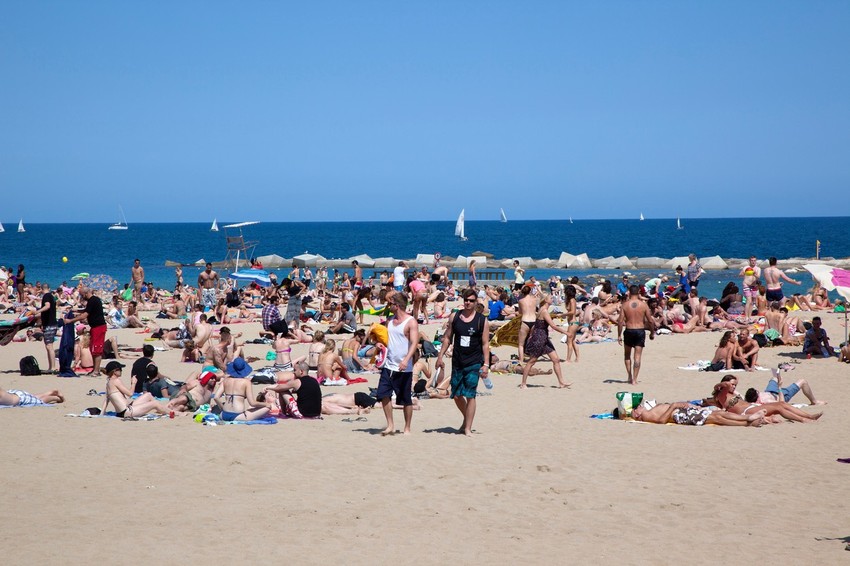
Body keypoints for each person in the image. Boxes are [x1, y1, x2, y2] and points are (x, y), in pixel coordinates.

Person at [435, 288, 490, 436]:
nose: (468, 303)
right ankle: (467, 418)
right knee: (457, 395)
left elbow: (485, 344)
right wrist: (440, 356)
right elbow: (447, 338)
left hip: (474, 362)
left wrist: (485, 364)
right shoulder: (455, 316)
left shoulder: (481, 320)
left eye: (471, 301)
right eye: (466, 300)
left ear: (475, 302)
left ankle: (467, 428)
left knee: (470, 394)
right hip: (458, 361)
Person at [376, 293, 419, 435]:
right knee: (383, 394)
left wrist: (406, 360)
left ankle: (407, 427)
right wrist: (379, 345)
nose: (389, 306)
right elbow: (388, 340)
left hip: (404, 368)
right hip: (388, 365)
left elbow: (414, 343)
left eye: (391, 303)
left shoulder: (411, 322)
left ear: (397, 305)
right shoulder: (389, 321)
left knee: (405, 399)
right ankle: (390, 425)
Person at [519, 293, 570, 389]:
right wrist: (566, 333)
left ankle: (561, 382)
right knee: (531, 362)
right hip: (539, 339)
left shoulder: (541, 310)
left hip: (544, 338)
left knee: (556, 360)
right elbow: (553, 326)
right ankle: (523, 383)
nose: (552, 299)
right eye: (550, 298)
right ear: (546, 300)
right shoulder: (544, 311)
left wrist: (531, 334)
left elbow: (535, 324)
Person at [617, 285, 656, 385]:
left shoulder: (625, 305)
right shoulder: (643, 305)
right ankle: (634, 379)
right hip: (640, 331)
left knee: (627, 355)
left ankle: (629, 376)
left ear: (629, 292)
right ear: (639, 292)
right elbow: (650, 321)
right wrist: (652, 333)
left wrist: (619, 335)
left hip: (629, 330)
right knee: (637, 356)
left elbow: (620, 321)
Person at [102, 361, 169, 418]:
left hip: (123, 411)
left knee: (148, 395)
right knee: (155, 403)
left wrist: (102, 413)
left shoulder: (108, 383)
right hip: (127, 412)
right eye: (120, 369)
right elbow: (130, 394)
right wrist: (133, 383)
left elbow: (106, 400)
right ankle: (173, 413)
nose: (121, 371)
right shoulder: (116, 380)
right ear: (114, 371)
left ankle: (161, 409)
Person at [68, 286, 107, 376]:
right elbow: (87, 311)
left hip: (99, 327)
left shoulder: (93, 300)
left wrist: (71, 321)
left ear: (86, 293)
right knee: (93, 349)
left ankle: (96, 371)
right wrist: (76, 311)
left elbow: (84, 315)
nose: (82, 297)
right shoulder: (92, 301)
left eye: (82, 295)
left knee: (97, 349)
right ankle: (94, 369)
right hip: (95, 327)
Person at [627, 401, 764, 427]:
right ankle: (747, 421)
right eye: (636, 408)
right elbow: (661, 421)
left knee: (718, 415)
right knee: (716, 417)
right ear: (636, 415)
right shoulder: (646, 416)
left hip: (681, 412)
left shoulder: (648, 410)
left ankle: (748, 420)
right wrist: (673, 406)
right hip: (679, 415)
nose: (639, 407)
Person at [36, 283, 58, 373]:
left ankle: (52, 367)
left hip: (50, 324)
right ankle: (50, 367)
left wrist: (38, 311)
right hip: (49, 324)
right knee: (48, 346)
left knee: (49, 346)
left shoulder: (46, 296)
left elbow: (47, 306)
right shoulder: (51, 296)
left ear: (41, 289)